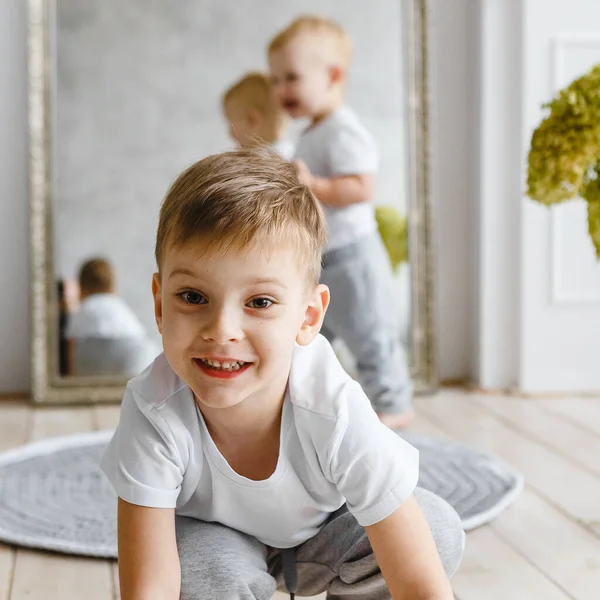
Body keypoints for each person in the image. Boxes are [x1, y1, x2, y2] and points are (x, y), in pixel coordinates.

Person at [100, 149, 464, 600]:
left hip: (324, 536)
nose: (222, 331)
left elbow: (418, 581)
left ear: (308, 316)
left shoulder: (332, 406)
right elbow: (149, 587)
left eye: (260, 302)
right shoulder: (153, 411)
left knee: (434, 529)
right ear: (158, 304)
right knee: (202, 572)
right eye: (193, 297)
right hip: (215, 540)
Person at [268, 16, 414, 429]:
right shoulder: (311, 132)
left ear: (333, 75)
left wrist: (312, 184)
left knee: (370, 330)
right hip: (323, 255)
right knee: (316, 334)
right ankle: (313, 406)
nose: (280, 90)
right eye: (275, 79)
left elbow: (361, 187)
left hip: (352, 254)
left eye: (291, 77)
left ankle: (393, 405)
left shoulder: (342, 130)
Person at [66, 258, 160, 377]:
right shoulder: (119, 306)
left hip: (98, 357)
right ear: (112, 285)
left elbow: (71, 354)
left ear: (81, 286)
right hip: (139, 351)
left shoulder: (83, 309)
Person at [223, 71, 295, 159]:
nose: (230, 134)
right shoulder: (292, 152)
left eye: (231, 124)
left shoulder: (266, 161)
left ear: (252, 119)